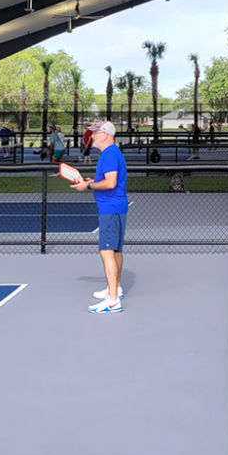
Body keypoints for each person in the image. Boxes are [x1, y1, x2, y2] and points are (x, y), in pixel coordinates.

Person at [72, 121, 128, 314]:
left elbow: (111, 183)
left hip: (110, 208)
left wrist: (87, 186)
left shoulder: (110, 154)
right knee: (116, 251)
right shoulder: (111, 153)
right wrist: (92, 181)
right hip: (117, 207)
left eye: (95, 133)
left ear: (105, 135)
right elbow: (107, 180)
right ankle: (116, 289)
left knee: (106, 252)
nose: (92, 136)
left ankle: (112, 301)